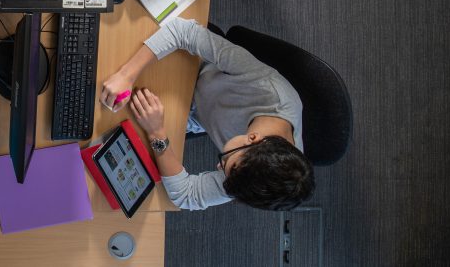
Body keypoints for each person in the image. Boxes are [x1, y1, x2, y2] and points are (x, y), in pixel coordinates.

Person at [99, 19, 314, 211]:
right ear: (254, 139)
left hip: (188, 114)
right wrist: (126, 76)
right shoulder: (266, 87)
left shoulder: (252, 176)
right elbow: (182, 31)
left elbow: (185, 196)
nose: (218, 168)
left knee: (105, 129)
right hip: (193, 67)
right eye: (225, 160)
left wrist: (157, 134)